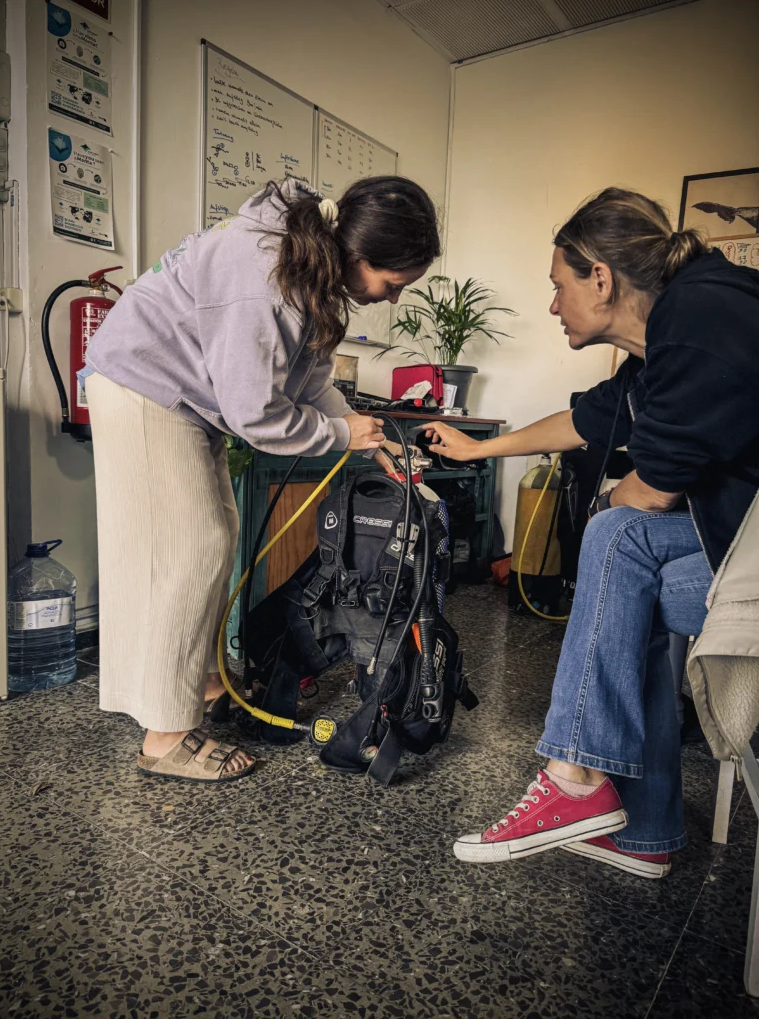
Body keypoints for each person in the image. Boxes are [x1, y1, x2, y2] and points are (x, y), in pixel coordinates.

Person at [424, 187, 759, 877]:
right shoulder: (666, 339)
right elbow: (587, 419)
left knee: (615, 550)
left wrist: (611, 504)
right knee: (620, 582)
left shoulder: (703, 316)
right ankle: (635, 827)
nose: (552, 305)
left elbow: (652, 493)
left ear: (600, 278)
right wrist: (476, 450)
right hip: (738, 538)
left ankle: (579, 782)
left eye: (558, 286)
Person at [83, 176, 440, 782]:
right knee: (185, 552)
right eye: (393, 284)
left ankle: (199, 686)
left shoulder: (310, 268)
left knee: (215, 537)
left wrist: (361, 432)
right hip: (144, 384)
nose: (393, 298)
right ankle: (164, 736)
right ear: (359, 256)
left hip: (183, 397)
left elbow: (309, 380)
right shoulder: (266, 281)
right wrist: (338, 437)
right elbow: (256, 416)